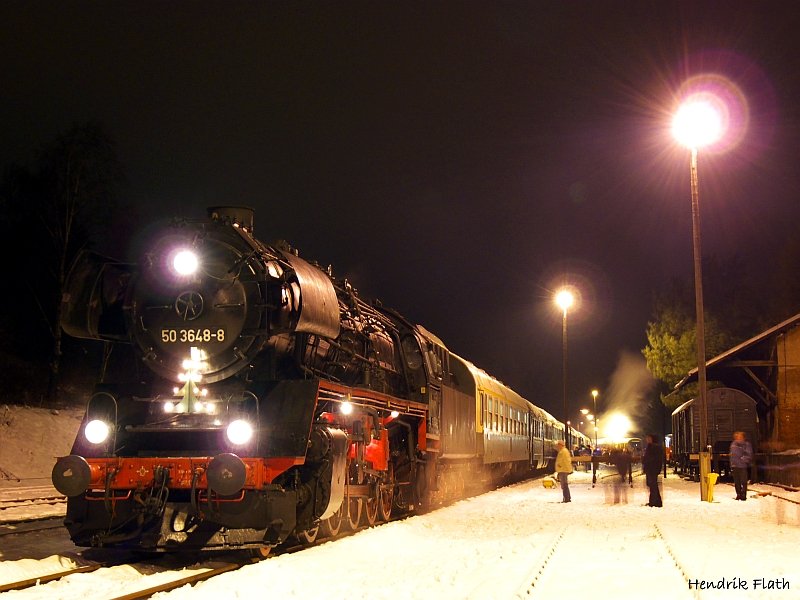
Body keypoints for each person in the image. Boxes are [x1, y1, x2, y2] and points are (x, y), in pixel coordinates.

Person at [729, 431, 753, 501]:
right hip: (735, 466)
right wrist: (732, 463)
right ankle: (738, 494)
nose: (738, 438)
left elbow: (749, 454)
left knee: (743, 481)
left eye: (739, 437)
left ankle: (743, 495)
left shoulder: (746, 445)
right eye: (736, 437)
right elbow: (732, 455)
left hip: (742, 466)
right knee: (737, 482)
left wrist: (743, 460)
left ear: (743, 437)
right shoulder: (733, 444)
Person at [642, 434, 663, 507]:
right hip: (652, 468)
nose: (647, 440)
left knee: (652, 485)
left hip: (652, 469)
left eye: (648, 438)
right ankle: (656, 501)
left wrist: (645, 460)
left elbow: (651, 458)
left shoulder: (653, 447)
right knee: (653, 485)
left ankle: (654, 502)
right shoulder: (655, 447)